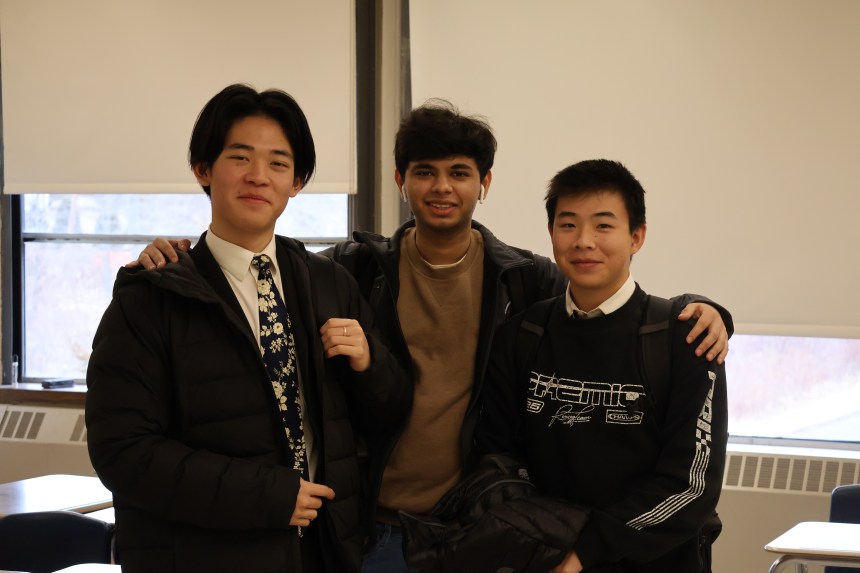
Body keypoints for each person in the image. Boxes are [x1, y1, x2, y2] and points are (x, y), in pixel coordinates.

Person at [134, 101, 731, 573]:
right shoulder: (351, 272)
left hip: (473, 530)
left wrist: (704, 311)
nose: (442, 187)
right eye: (425, 172)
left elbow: (603, 299)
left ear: (484, 183)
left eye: (460, 173)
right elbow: (254, 269)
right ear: (401, 180)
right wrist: (175, 256)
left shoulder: (525, 282)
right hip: (367, 522)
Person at [85, 84, 410, 573]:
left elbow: (387, 415)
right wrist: (269, 497)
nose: (258, 176)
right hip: (204, 555)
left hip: (322, 550)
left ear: (296, 182)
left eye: (278, 163)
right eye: (240, 157)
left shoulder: (329, 282)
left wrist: (370, 365)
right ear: (203, 168)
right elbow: (122, 451)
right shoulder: (150, 297)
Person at [474, 159, 729, 572]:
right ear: (551, 232)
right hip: (544, 558)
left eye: (603, 226)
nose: (584, 242)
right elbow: (497, 456)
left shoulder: (684, 339)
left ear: (637, 237)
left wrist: (587, 551)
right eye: (568, 225)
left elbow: (692, 485)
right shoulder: (522, 333)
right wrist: (544, 543)